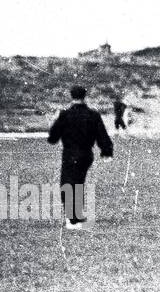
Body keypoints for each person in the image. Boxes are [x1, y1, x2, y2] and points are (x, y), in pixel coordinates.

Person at [47, 85, 112, 228]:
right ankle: (77, 216)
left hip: (70, 153)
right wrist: (107, 151)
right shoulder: (93, 114)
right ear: (84, 96)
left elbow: (52, 138)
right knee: (78, 183)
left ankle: (72, 219)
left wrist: (54, 121)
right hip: (86, 154)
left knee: (68, 183)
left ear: (71, 96)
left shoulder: (65, 114)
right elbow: (102, 135)